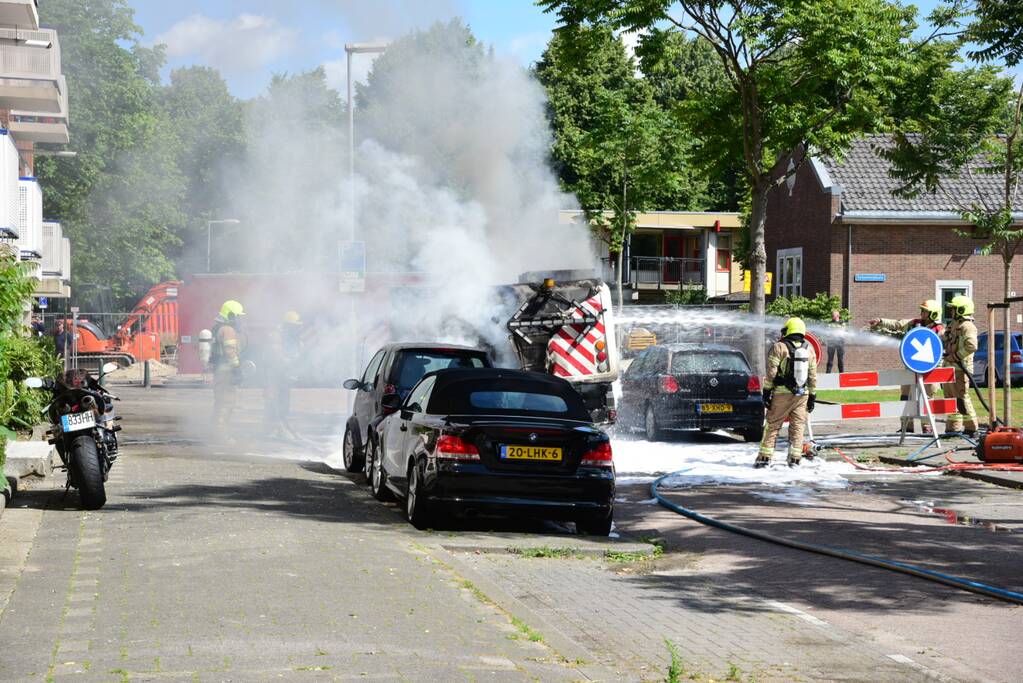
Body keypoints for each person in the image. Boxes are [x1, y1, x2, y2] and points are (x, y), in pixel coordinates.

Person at [869, 299, 944, 433]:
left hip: (931, 369)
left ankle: (927, 427)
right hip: (911, 366)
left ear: (933, 314)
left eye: (925, 311)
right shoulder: (914, 324)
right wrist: (880, 321)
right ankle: (906, 426)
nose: (921, 313)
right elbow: (897, 324)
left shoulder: (940, 330)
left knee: (927, 397)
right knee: (906, 395)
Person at [757, 317, 818, 468]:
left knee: (772, 425)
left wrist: (766, 392)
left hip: (781, 394)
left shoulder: (779, 347)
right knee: (798, 427)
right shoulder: (809, 349)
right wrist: (812, 396)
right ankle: (795, 459)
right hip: (801, 396)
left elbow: (771, 373)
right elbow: (812, 376)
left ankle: (764, 458)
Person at [942, 295, 978, 436]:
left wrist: (955, 357)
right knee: (950, 399)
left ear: (962, 310)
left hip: (960, 369)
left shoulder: (968, 326)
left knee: (962, 399)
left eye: (954, 309)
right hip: (949, 368)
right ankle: (953, 428)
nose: (951, 312)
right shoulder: (954, 324)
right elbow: (946, 340)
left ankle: (971, 428)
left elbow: (971, 346)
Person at [264, 310, 303, 437]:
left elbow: (297, 354)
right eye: (295, 326)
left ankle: (281, 427)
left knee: (284, 402)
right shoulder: (276, 336)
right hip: (274, 375)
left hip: (285, 376)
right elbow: (276, 356)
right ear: (288, 325)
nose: (297, 329)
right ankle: (271, 429)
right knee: (273, 401)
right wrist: (288, 362)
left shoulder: (294, 338)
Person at [211, 300, 245, 428]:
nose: (240, 320)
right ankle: (220, 435)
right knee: (226, 404)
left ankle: (214, 431)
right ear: (231, 316)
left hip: (220, 372)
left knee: (220, 403)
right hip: (227, 373)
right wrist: (237, 369)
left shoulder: (217, 328)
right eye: (239, 316)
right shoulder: (228, 330)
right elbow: (230, 351)